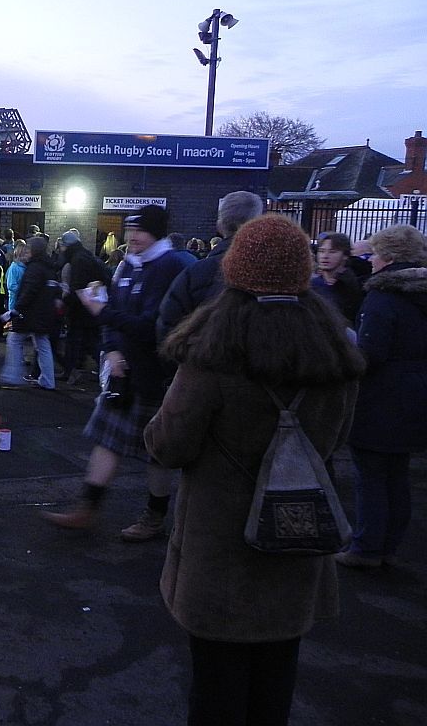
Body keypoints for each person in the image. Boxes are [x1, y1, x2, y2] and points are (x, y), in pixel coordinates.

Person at [144, 215, 364, 726]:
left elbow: (169, 446)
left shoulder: (213, 352)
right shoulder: (334, 350)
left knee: (215, 689)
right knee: (276, 682)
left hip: (220, 550)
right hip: (298, 540)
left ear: (235, 271)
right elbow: (337, 439)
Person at [42, 205, 191, 540]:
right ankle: (87, 510)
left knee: (157, 452)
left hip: (155, 375)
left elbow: (151, 327)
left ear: (156, 233)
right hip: (124, 375)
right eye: (130, 230)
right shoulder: (128, 264)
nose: (132, 237)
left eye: (140, 231)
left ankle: (154, 518)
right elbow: (113, 310)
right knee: (107, 441)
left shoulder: (169, 267)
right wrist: (110, 348)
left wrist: (102, 313)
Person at [337, 224, 427, 568]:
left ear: (388, 257)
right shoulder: (420, 295)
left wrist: (348, 346)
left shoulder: (382, 296)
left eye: (374, 253)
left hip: (381, 398)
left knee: (371, 476)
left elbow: (371, 354)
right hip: (416, 394)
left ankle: (366, 548)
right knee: (397, 475)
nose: (370, 260)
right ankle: (389, 545)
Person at [157, 191, 264, 340]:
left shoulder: (195, 274)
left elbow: (168, 327)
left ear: (220, 225)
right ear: (258, 223)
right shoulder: (278, 273)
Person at [0, 236, 60, 390]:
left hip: (29, 314)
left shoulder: (34, 269)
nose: (26, 253)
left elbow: (28, 292)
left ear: (34, 251)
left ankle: (13, 377)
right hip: (45, 314)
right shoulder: (50, 268)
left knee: (14, 340)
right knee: (43, 344)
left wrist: (16, 310)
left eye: (28, 249)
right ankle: (48, 380)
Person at [58, 230, 110, 382]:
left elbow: (78, 286)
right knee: (88, 341)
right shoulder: (86, 255)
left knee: (82, 341)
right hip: (90, 307)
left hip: (82, 308)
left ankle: (107, 371)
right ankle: (73, 369)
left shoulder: (78, 260)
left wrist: (65, 301)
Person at [312, 231, 364, 326]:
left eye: (332, 252)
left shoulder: (354, 286)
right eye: (322, 251)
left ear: (345, 255)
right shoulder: (312, 285)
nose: (325, 256)